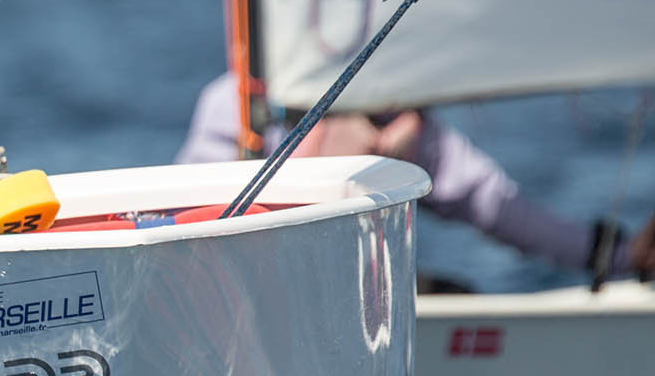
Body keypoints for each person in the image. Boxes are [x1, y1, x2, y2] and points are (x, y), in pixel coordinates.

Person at [177, 72, 655, 287]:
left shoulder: (412, 131)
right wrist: (334, 155)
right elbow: (177, 222)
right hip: (227, 292)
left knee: (452, 296)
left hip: (348, 303)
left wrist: (616, 257)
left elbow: (499, 206)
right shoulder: (237, 107)